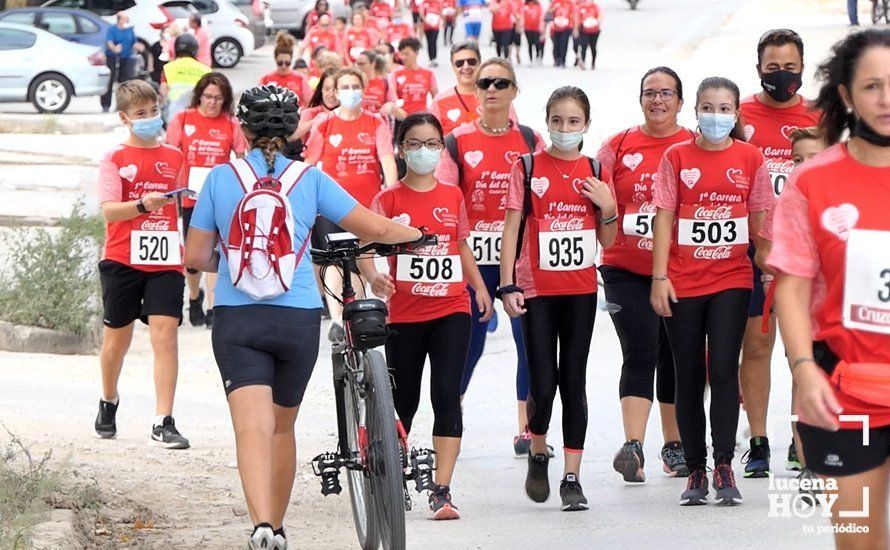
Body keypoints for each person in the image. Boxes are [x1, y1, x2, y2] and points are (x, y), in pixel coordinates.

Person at [183, 84, 423, 550]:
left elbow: (196, 256)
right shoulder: (310, 180)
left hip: (238, 320)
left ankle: (261, 528)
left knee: (251, 427)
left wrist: (234, 261)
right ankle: (278, 520)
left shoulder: (218, 178)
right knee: (281, 426)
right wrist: (417, 235)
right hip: (295, 320)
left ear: (243, 128)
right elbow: (375, 228)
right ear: (294, 130)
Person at [771, 29, 890, 550]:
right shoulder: (812, 183)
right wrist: (802, 371)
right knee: (860, 542)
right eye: (871, 86)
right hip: (847, 393)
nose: (886, 98)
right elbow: (792, 287)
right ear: (846, 96)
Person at [360, 113, 492, 520]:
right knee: (405, 400)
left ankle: (442, 488)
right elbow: (366, 245)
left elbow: (461, 246)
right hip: (404, 316)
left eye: (432, 143)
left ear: (441, 148)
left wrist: (480, 288)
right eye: (415, 143)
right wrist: (374, 276)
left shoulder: (453, 194)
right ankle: (394, 473)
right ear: (401, 149)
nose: (424, 151)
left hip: (452, 309)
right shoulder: (389, 199)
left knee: (447, 395)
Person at [650, 76, 774, 506]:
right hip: (683, 280)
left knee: (722, 368)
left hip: (731, 278)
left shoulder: (751, 158)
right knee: (689, 374)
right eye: (708, 107)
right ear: (695, 111)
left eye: (724, 109)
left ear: (736, 114)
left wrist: (770, 267)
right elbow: (663, 217)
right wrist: (659, 276)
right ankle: (696, 469)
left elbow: (760, 222)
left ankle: (724, 464)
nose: (715, 116)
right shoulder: (677, 155)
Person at [500, 86, 617, 512]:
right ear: (546, 122)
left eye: (573, 122)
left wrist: (608, 206)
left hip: (580, 292)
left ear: (586, 125)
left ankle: (572, 476)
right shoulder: (528, 166)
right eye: (557, 121)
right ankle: (537, 449)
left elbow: (608, 238)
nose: (564, 128)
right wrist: (508, 284)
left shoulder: (595, 170)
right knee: (543, 384)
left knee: (574, 382)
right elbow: (511, 229)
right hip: (537, 291)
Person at [436, 58, 545, 455]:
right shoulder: (457, 141)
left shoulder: (532, 141)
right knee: (469, 341)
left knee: (528, 341)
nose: (493, 89)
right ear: (476, 91)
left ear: (515, 90)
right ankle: (451, 415)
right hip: (474, 256)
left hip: (520, 258)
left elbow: (548, 194)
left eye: (502, 82)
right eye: (485, 83)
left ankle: (527, 428)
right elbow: (446, 200)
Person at [596, 67, 694, 483]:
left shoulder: (695, 143)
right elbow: (593, 196)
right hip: (625, 267)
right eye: (650, 93)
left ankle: (673, 447)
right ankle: (633, 445)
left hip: (680, 270)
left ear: (680, 101)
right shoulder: (617, 146)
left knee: (673, 355)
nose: (657, 100)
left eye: (666, 93)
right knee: (639, 350)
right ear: (640, 99)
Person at [737, 28, 822, 479]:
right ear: (759, 70)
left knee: (801, 351)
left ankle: (800, 440)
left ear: (802, 69)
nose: (782, 76)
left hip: (807, 254)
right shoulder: (740, 114)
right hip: (752, 251)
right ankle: (758, 442)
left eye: (790, 68)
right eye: (773, 69)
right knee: (757, 345)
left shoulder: (821, 115)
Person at [93, 80, 189, 449]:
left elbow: (183, 203)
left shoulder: (176, 158)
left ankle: (163, 420)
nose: (150, 118)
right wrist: (142, 205)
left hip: (165, 258)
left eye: (154, 111)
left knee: (166, 336)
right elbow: (108, 210)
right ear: (125, 118)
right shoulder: (114, 158)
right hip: (121, 258)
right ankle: (108, 399)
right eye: (141, 114)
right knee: (117, 340)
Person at [754, 126, 828, 494]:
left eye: (812, 158)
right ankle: (810, 465)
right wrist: (791, 265)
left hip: (846, 310)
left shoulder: (849, 199)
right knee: (804, 377)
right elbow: (763, 253)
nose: (802, 167)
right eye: (796, 160)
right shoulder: (786, 203)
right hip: (801, 308)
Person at [304, 67, 397, 334]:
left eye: (355, 86)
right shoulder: (324, 122)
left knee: (358, 263)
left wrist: (391, 198)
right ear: (335, 91)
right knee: (334, 262)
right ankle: (337, 321)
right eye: (344, 87)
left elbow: (387, 161)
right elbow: (310, 162)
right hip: (330, 208)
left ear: (364, 89)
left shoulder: (376, 122)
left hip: (366, 209)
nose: (350, 92)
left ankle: (355, 321)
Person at [165, 72, 247, 328]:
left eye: (218, 98)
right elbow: (171, 154)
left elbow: (242, 155)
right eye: (208, 97)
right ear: (199, 95)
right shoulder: (183, 119)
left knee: (216, 250)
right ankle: (194, 295)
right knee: (193, 257)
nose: (212, 103)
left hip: (219, 197)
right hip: (190, 197)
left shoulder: (231, 124)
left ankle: (213, 306)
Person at [429, 42, 481, 136]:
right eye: (459, 63)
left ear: (480, 64)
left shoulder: (496, 97)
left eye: (471, 61)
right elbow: (431, 141)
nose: (466, 67)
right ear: (453, 67)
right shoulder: (439, 101)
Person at [159, 34, 211, 123]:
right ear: (195, 50)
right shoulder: (206, 70)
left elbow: (163, 92)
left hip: (174, 115)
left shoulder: (168, 68)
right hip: (199, 115)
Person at [260, 32, 313, 106]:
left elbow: (310, 101)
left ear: (291, 60)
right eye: (280, 63)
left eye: (287, 63)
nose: (284, 66)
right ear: (275, 59)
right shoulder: (266, 79)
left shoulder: (301, 78)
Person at [390, 38, 439, 117]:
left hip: (421, 117)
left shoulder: (428, 74)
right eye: (402, 54)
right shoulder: (396, 74)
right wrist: (399, 111)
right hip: (402, 118)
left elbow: (436, 97)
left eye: (407, 54)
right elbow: (392, 96)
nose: (404, 57)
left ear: (416, 53)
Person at [101, 12, 137, 112]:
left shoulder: (130, 29)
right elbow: (109, 42)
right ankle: (106, 104)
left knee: (124, 81)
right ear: (120, 20)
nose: (127, 21)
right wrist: (114, 48)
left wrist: (137, 46)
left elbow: (134, 41)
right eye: (125, 19)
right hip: (112, 57)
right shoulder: (112, 29)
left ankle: (121, 105)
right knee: (110, 80)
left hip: (126, 57)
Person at [547, 0, 575, 68]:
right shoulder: (555, 2)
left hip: (566, 27)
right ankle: (556, 60)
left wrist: (572, 26)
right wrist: (553, 9)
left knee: (564, 44)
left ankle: (562, 60)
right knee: (556, 44)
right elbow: (548, 12)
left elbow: (573, 14)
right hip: (556, 27)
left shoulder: (570, 3)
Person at [575, 0, 601, 70]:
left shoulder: (595, 6)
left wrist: (596, 22)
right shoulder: (580, 7)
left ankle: (593, 62)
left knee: (593, 47)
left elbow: (600, 16)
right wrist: (576, 29)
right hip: (584, 30)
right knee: (584, 45)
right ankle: (583, 61)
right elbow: (577, 18)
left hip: (594, 30)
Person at [420, 0, 443, 66]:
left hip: (435, 26)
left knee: (434, 41)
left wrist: (440, 21)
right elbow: (421, 12)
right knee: (429, 42)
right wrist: (426, 20)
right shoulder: (424, 3)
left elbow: (440, 12)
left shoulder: (437, 2)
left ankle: (434, 59)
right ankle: (430, 59)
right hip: (427, 26)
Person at [522, 0, 545, 65]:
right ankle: (531, 58)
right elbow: (523, 15)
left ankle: (538, 56)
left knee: (537, 43)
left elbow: (541, 16)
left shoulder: (538, 5)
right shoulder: (525, 5)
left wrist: (541, 26)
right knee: (529, 44)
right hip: (527, 28)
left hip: (536, 28)